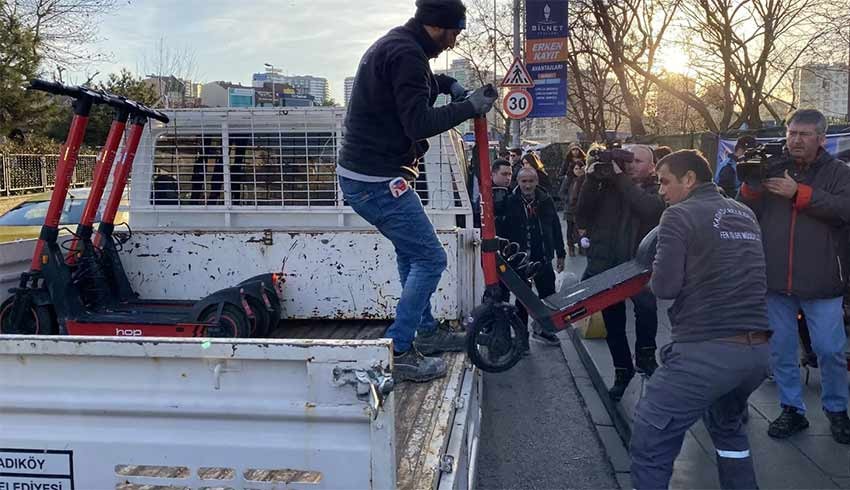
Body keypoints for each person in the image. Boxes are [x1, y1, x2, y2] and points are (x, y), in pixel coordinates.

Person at [337, 0, 498, 383]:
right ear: (438, 26)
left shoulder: (400, 46)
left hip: (368, 174)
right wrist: (469, 106)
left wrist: (448, 85)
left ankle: (425, 330)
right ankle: (401, 349)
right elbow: (418, 123)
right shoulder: (407, 54)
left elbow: (412, 87)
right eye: (456, 31)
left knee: (412, 253)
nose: (456, 41)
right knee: (429, 259)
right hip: (376, 180)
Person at [630, 149, 770, 490]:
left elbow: (665, 287)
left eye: (665, 182)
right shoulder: (744, 212)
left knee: (652, 437)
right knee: (729, 433)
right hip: (756, 354)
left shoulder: (678, 216)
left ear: (689, 179)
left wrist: (648, 278)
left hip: (705, 352)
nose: (661, 190)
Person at [739, 109, 850, 444]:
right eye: (791, 133)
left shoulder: (838, 172)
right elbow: (745, 211)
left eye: (804, 134)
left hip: (822, 280)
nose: (796, 140)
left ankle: (837, 410)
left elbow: (844, 209)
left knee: (830, 350)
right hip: (775, 279)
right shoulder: (772, 165)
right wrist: (751, 186)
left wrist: (799, 194)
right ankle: (791, 409)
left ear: (821, 139)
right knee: (782, 350)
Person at [576, 144, 665, 401]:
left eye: (637, 161)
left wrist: (618, 177)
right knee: (613, 323)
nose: (630, 165)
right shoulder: (609, 185)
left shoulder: (658, 187)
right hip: (608, 264)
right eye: (628, 160)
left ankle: (646, 356)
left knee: (646, 310)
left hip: (639, 265)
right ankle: (622, 370)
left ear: (652, 166)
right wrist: (592, 179)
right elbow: (583, 213)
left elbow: (649, 209)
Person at [502, 167, 566, 351]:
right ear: (518, 182)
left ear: (536, 182)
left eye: (531, 181)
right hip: (519, 260)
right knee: (522, 301)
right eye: (524, 181)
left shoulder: (545, 200)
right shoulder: (510, 201)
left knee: (548, 296)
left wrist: (560, 253)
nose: (527, 185)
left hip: (542, 257)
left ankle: (544, 330)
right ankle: (522, 341)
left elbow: (555, 227)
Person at [563, 158, 586, 257]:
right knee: (570, 229)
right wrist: (568, 200)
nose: (578, 171)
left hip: (581, 209)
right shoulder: (569, 179)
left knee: (581, 228)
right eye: (576, 169)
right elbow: (562, 192)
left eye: (580, 169)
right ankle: (571, 247)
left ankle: (582, 247)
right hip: (570, 209)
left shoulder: (586, 180)